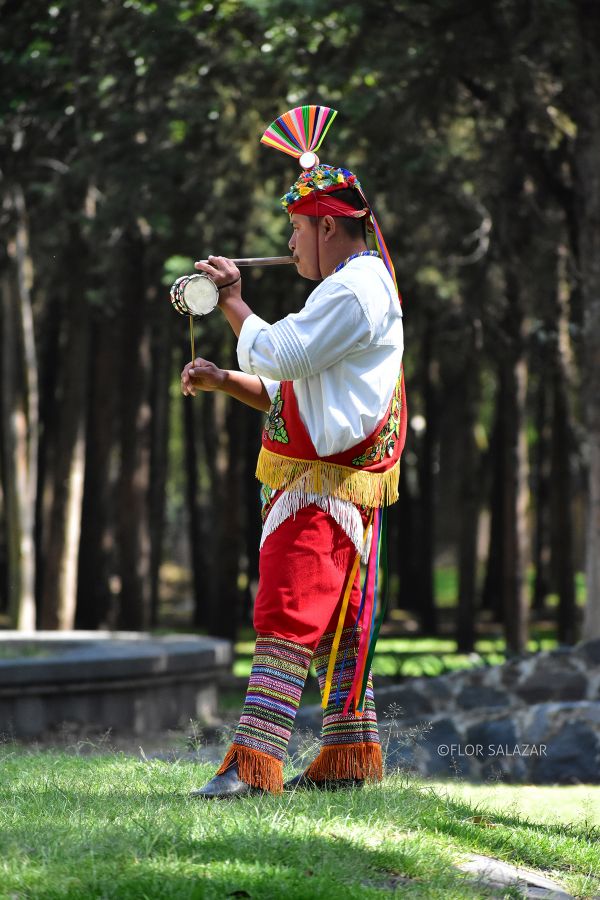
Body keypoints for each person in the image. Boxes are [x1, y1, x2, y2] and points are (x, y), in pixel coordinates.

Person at [181, 160, 406, 799]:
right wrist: (226, 380)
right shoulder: (350, 286)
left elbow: (282, 353)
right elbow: (294, 389)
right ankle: (347, 758)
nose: (288, 244)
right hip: (332, 482)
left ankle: (253, 768)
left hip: (323, 486)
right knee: (336, 618)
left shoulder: (353, 290)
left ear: (329, 227)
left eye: (295, 229)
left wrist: (229, 298)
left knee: (289, 608)